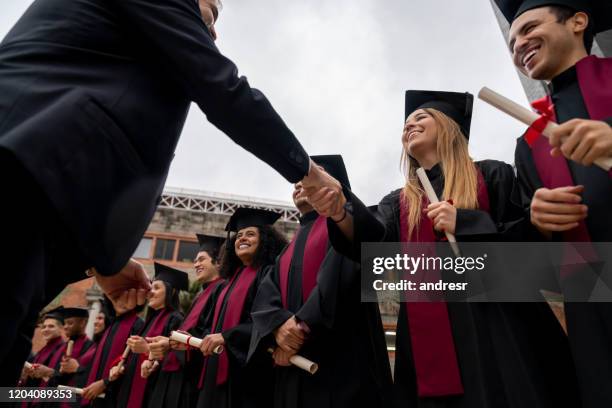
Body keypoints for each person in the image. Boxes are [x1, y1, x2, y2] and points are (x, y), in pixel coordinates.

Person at [0, 0, 334, 384]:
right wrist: (309, 171)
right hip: (23, 171)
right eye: (211, 7)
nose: (213, 29)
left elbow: (381, 283)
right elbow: (223, 90)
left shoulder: (365, 226)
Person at [305, 90, 580, 407]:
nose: (410, 125)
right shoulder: (398, 203)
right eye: (406, 123)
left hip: (502, 329)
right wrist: (340, 210)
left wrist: (466, 222)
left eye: (420, 117)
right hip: (429, 346)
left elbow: (530, 248)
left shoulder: (493, 174)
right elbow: (372, 245)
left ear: (449, 127)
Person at [495, 1, 612, 406]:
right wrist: (539, 221)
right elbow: (537, 267)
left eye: (529, 28)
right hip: (595, 312)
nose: (518, 45)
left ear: (579, 20)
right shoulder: (530, 145)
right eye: (511, 41)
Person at [249, 155, 393, 408]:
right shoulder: (287, 249)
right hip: (292, 366)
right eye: (296, 181)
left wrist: (300, 326)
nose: (298, 184)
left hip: (340, 363)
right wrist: (277, 330)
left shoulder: (349, 227)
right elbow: (265, 296)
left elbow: (341, 275)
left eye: (309, 177)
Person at [196, 208, 287, 408]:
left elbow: (267, 321)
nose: (242, 238)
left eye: (251, 234)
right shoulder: (227, 283)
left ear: (265, 239)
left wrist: (227, 337)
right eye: (238, 236)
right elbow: (209, 325)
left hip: (246, 373)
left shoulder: (269, 273)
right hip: (214, 369)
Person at [148, 236, 224, 408]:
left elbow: (210, 331)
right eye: (195, 260)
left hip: (191, 377)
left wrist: (171, 343)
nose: (196, 264)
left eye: (201, 259)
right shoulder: (200, 295)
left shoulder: (222, 289)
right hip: (174, 374)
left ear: (218, 262)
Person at [112, 263, 187, 408]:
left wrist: (147, 348)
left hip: (153, 392)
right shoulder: (148, 321)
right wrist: (118, 366)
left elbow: (176, 357)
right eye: (151, 287)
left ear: (172, 292)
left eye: (157, 288)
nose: (150, 292)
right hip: (129, 387)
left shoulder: (176, 319)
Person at [81, 298, 144, 407]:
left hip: (116, 397)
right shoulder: (111, 326)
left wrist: (105, 383)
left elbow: (133, 365)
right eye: (116, 297)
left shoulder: (138, 325)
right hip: (94, 396)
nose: (121, 301)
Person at [18, 308, 65, 390]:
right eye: (43, 327)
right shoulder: (41, 352)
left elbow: (69, 380)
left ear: (61, 329)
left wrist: (49, 372)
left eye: (51, 326)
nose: (46, 329)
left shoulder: (65, 350)